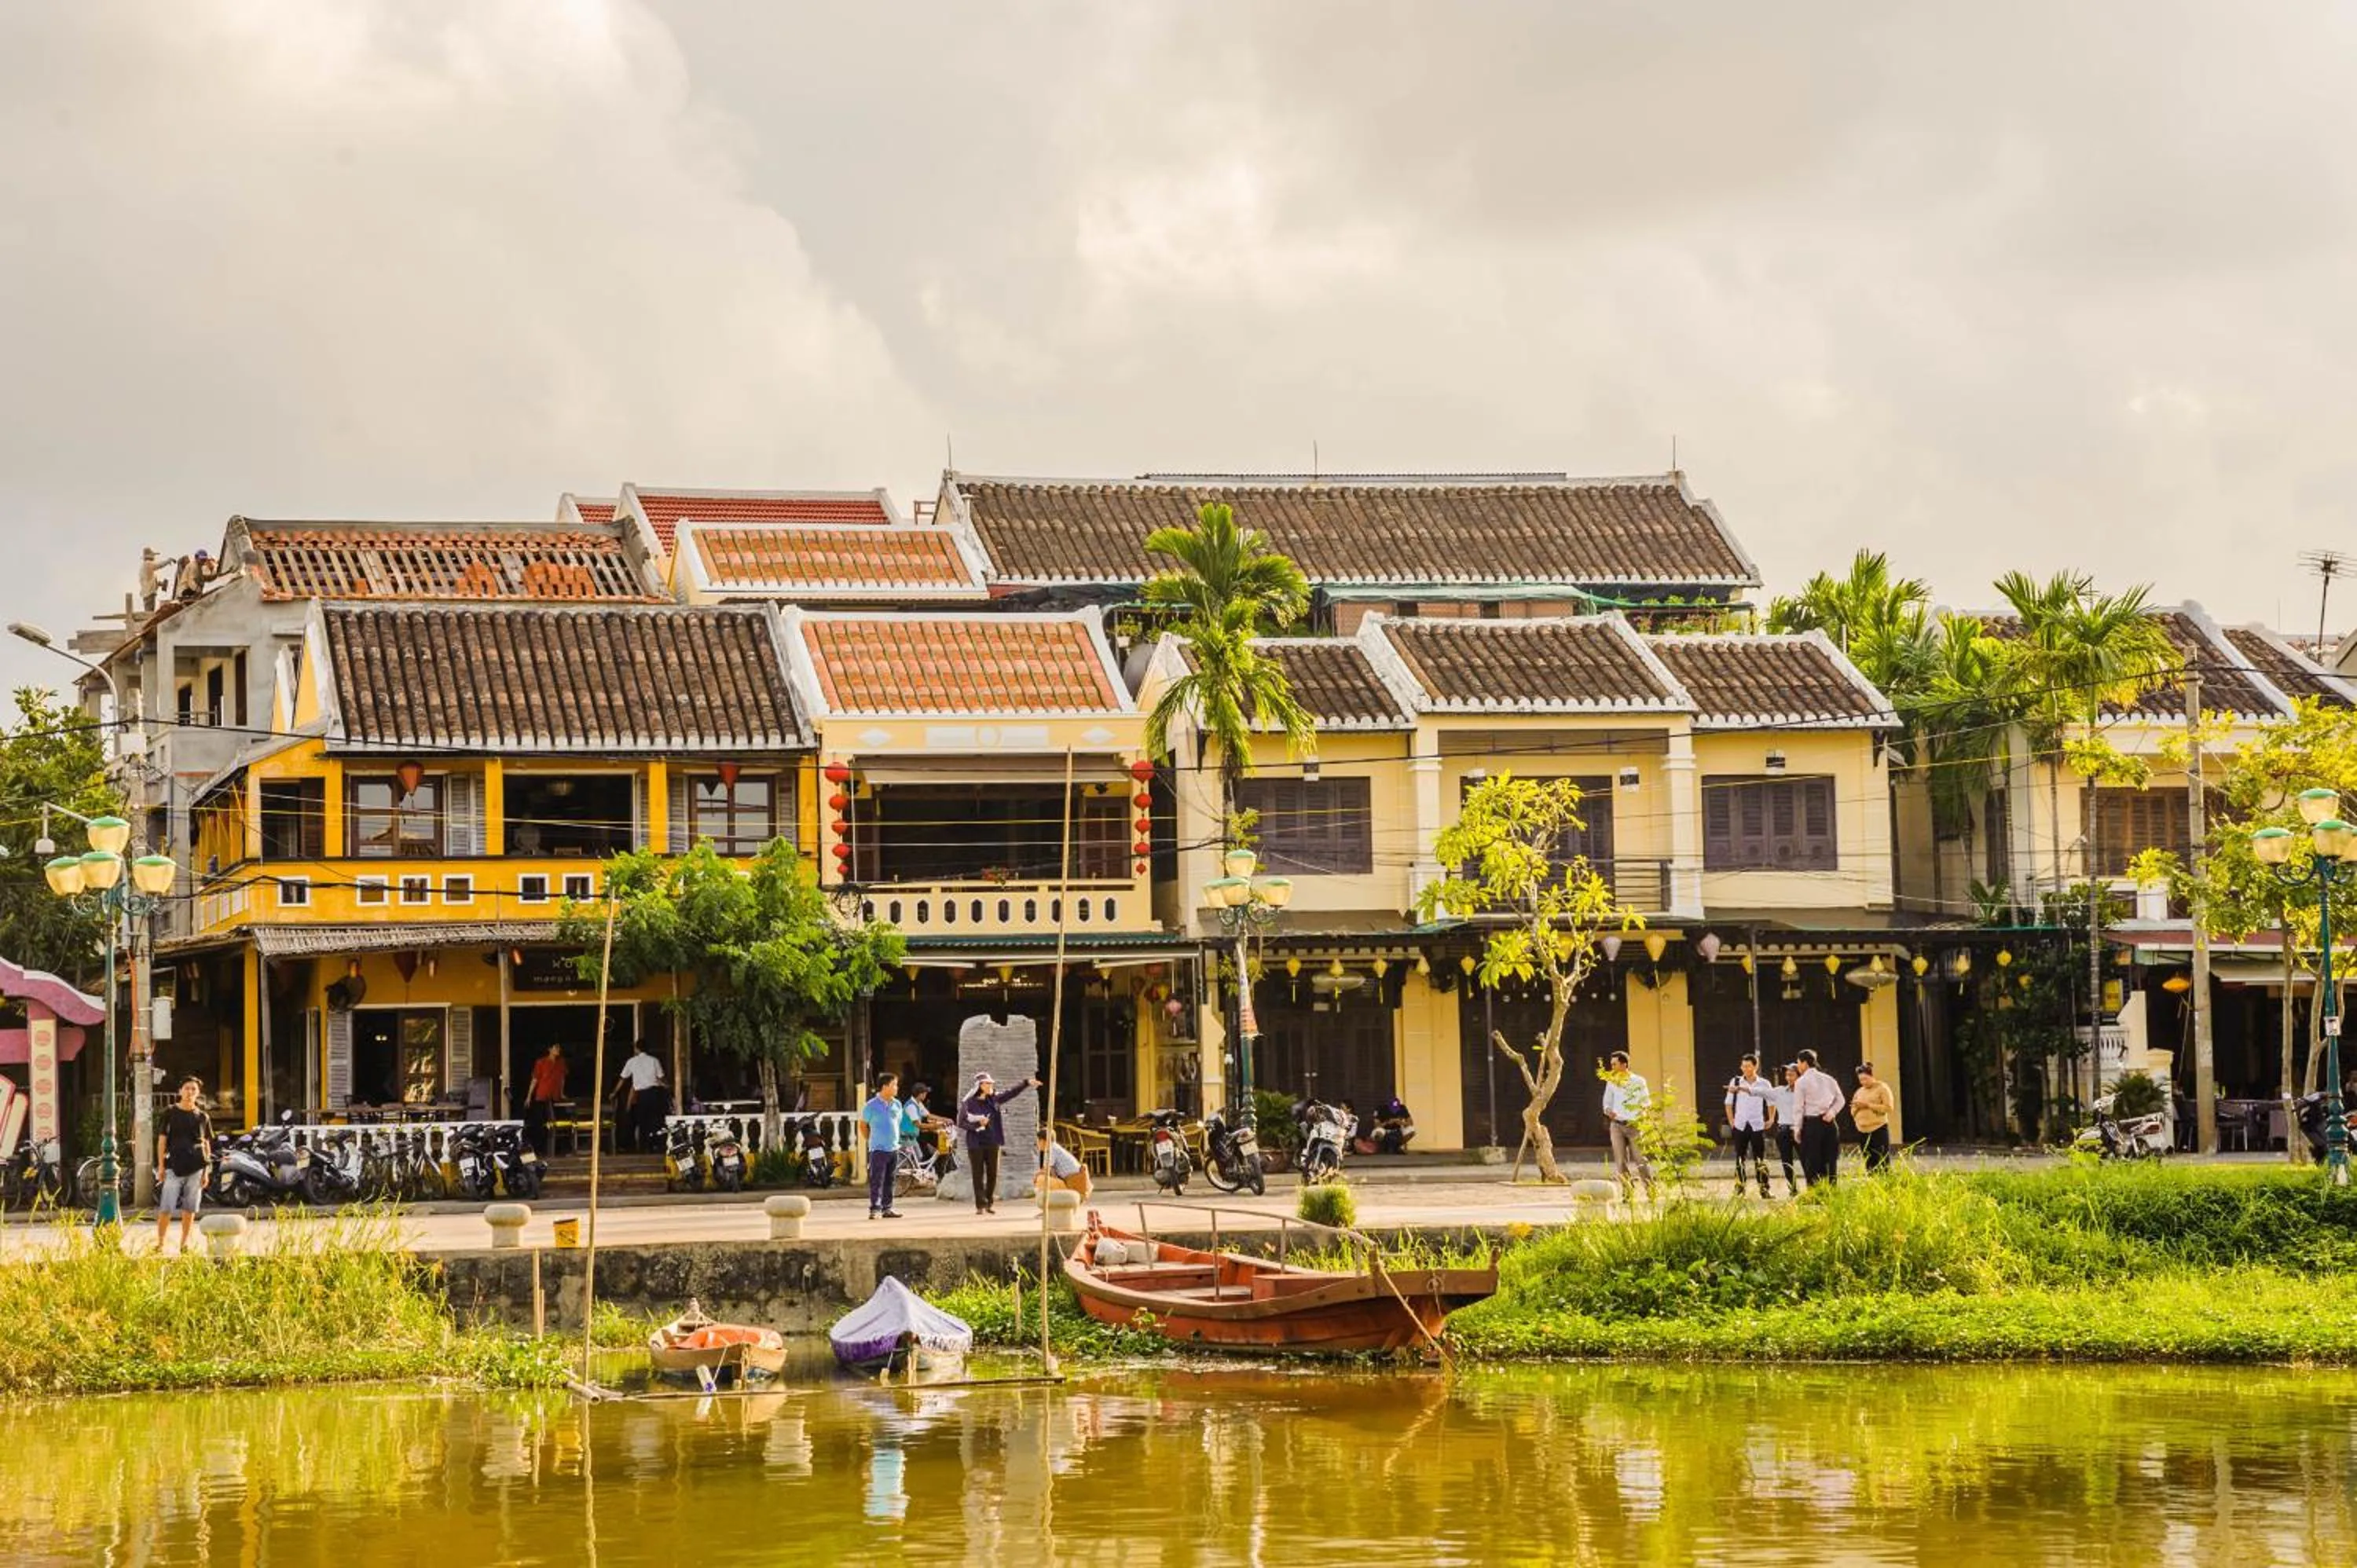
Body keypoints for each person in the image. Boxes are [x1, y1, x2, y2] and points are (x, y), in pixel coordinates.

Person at [959, 1071, 1041, 1215]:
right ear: (980, 1085)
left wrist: (1026, 1083)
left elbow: (1011, 1093)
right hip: (976, 1143)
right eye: (988, 1083)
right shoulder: (969, 1103)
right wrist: (977, 1125)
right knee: (977, 1174)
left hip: (993, 1141)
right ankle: (980, 1205)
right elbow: (961, 1122)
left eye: (991, 1083)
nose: (991, 1085)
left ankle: (989, 1202)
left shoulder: (995, 1099)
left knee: (992, 1174)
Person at [154, 1076, 212, 1255]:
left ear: (198, 1093)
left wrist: (206, 1172)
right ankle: (160, 1244)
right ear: (180, 1091)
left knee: (190, 1208)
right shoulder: (170, 1112)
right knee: (166, 1207)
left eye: (193, 1089)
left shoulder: (202, 1117)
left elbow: (207, 1144)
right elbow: (162, 1141)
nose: (190, 1092)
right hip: (174, 1167)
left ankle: (184, 1244)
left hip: (196, 1168)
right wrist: (161, 1166)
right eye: (187, 1088)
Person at [1601, 1051, 1655, 1199]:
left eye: (1614, 1064)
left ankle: (1651, 1192)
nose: (1612, 1067)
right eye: (1611, 1064)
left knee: (1641, 1160)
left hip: (1635, 1126)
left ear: (1624, 1064)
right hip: (1616, 1126)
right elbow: (1606, 1102)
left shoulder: (1639, 1081)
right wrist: (1608, 1111)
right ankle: (1628, 1193)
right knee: (1620, 1162)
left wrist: (1640, 1117)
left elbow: (1646, 1102)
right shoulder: (1611, 1081)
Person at [1792, 1048, 1846, 1187]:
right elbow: (1841, 1100)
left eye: (1798, 1063)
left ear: (1804, 1063)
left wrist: (1797, 1128)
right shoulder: (1829, 1079)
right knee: (1830, 1159)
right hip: (1829, 1122)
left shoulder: (1801, 1082)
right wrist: (1832, 1112)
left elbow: (1799, 1108)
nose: (1798, 1066)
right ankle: (1831, 1191)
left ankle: (1815, 1193)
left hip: (1812, 1124)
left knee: (1812, 1160)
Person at [1724, 1053, 1772, 1199]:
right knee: (1740, 1158)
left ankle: (1764, 1189)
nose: (1745, 1068)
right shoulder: (1736, 1081)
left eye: (1748, 1066)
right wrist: (1731, 1121)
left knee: (1760, 1158)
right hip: (1740, 1125)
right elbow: (1728, 1103)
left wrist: (1771, 1119)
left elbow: (1771, 1102)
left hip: (1757, 1125)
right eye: (1743, 1066)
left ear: (1755, 1066)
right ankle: (1740, 1188)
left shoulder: (1764, 1083)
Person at [861, 1073, 905, 1219]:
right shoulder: (871, 1105)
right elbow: (863, 1125)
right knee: (877, 1180)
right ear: (885, 1086)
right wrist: (871, 1139)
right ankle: (875, 1209)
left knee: (890, 1180)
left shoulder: (897, 1104)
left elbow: (897, 1123)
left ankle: (888, 1208)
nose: (896, 1088)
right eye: (894, 1085)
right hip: (878, 1149)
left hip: (893, 1148)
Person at [614, 1041, 667, 1152]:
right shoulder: (654, 1061)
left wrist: (614, 1092)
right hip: (654, 1093)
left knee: (642, 1121)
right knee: (654, 1120)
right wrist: (667, 1086)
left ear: (636, 1049)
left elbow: (623, 1079)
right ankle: (654, 1146)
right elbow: (661, 1078)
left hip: (640, 1094)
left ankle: (643, 1147)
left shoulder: (632, 1062)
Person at [1852, 1062, 1897, 1173]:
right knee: (1869, 1162)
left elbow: (1889, 1108)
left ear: (1872, 1076)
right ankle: (1872, 1184)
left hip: (1878, 1128)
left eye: (1866, 1079)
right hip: (1862, 1130)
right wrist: (1857, 1108)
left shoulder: (1882, 1088)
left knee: (1882, 1160)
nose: (1863, 1082)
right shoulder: (1859, 1091)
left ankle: (1884, 1184)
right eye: (1861, 1080)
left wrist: (1867, 1105)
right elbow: (1853, 1110)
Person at [1765, 1062, 1802, 1197]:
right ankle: (1793, 1189)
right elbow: (1763, 1092)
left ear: (1799, 1076)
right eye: (1787, 1075)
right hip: (1783, 1131)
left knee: (1807, 1160)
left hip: (1800, 1130)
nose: (1788, 1077)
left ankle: (1813, 1188)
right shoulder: (1780, 1091)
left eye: (1792, 1075)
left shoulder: (1805, 1092)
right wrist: (1744, 1089)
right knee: (1787, 1162)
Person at [524, 1044, 566, 1157]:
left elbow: (562, 1079)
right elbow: (535, 1079)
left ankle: (556, 1150)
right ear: (549, 1049)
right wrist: (529, 1096)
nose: (558, 1050)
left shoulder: (561, 1062)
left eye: (559, 1048)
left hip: (555, 1097)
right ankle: (539, 1150)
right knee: (540, 1124)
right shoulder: (541, 1062)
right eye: (555, 1048)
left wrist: (562, 1093)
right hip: (541, 1096)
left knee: (556, 1123)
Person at [1036, 1128, 1093, 1200]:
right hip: (1072, 1182)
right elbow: (1051, 1172)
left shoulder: (1052, 1149)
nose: (1037, 1143)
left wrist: (1036, 1176)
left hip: (1075, 1185)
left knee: (1041, 1180)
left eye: (1039, 1140)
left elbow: (1046, 1170)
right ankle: (1052, 1206)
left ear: (1045, 1141)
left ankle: (1054, 1204)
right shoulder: (1053, 1148)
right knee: (1043, 1180)